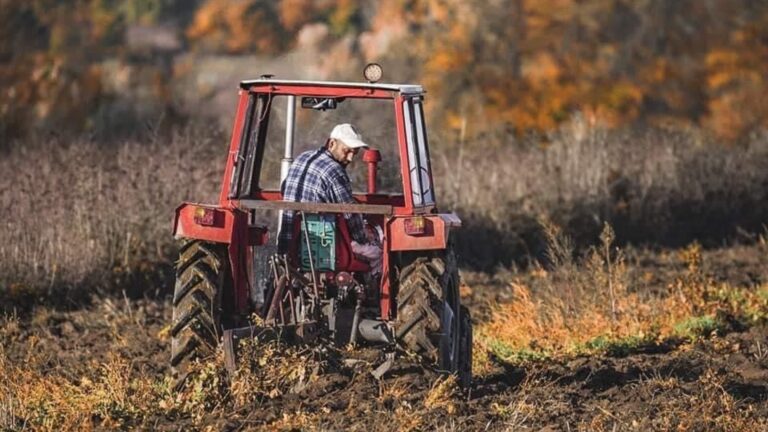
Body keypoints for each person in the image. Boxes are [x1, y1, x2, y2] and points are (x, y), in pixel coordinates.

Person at [278, 123, 382, 271]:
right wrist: (364, 240)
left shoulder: (301, 158)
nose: (351, 158)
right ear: (332, 143)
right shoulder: (335, 171)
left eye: (354, 153)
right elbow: (350, 213)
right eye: (347, 151)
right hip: (321, 250)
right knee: (377, 255)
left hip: (288, 245)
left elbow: (284, 189)